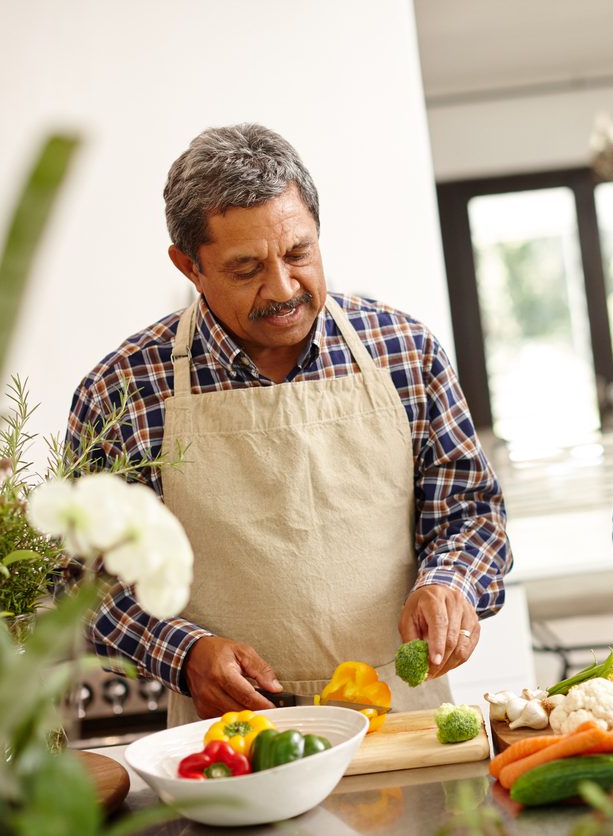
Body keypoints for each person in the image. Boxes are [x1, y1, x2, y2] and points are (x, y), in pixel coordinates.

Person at [67, 123, 511, 723]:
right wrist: (186, 654)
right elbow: (89, 581)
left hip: (401, 713)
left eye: (299, 253)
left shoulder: (406, 351)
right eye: (245, 268)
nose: (283, 288)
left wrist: (450, 582)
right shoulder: (120, 391)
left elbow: (471, 513)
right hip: (232, 732)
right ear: (189, 266)